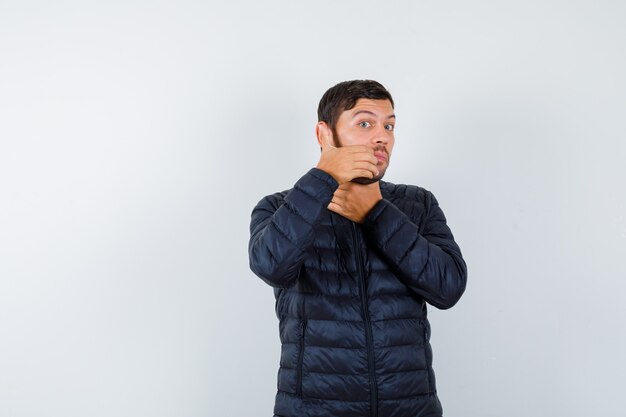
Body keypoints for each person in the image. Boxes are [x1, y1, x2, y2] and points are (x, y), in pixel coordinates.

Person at [248, 80, 467, 417]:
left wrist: (375, 213)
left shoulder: (417, 203)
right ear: (325, 135)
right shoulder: (279, 207)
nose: (381, 137)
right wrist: (322, 181)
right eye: (364, 123)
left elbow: (448, 288)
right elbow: (271, 265)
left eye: (389, 125)